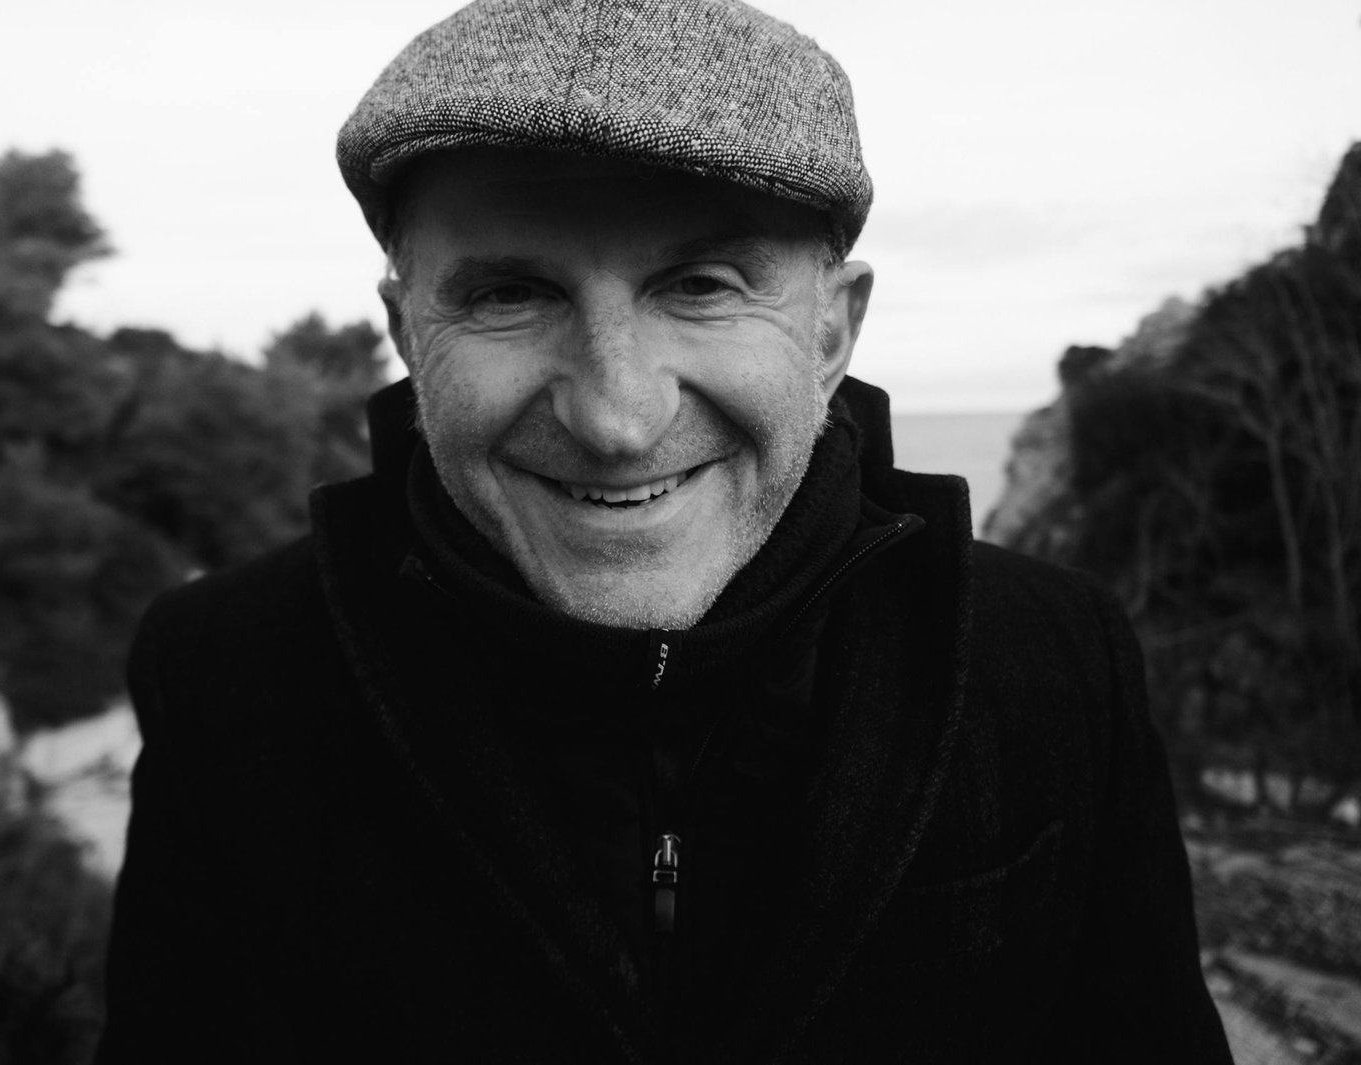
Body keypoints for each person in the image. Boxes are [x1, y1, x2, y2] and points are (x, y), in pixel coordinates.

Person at [96, 0, 1232, 1061]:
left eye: (699, 285)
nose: (617, 417)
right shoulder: (227, 673)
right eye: (508, 295)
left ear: (834, 329)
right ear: (406, 332)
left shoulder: (1049, 656)